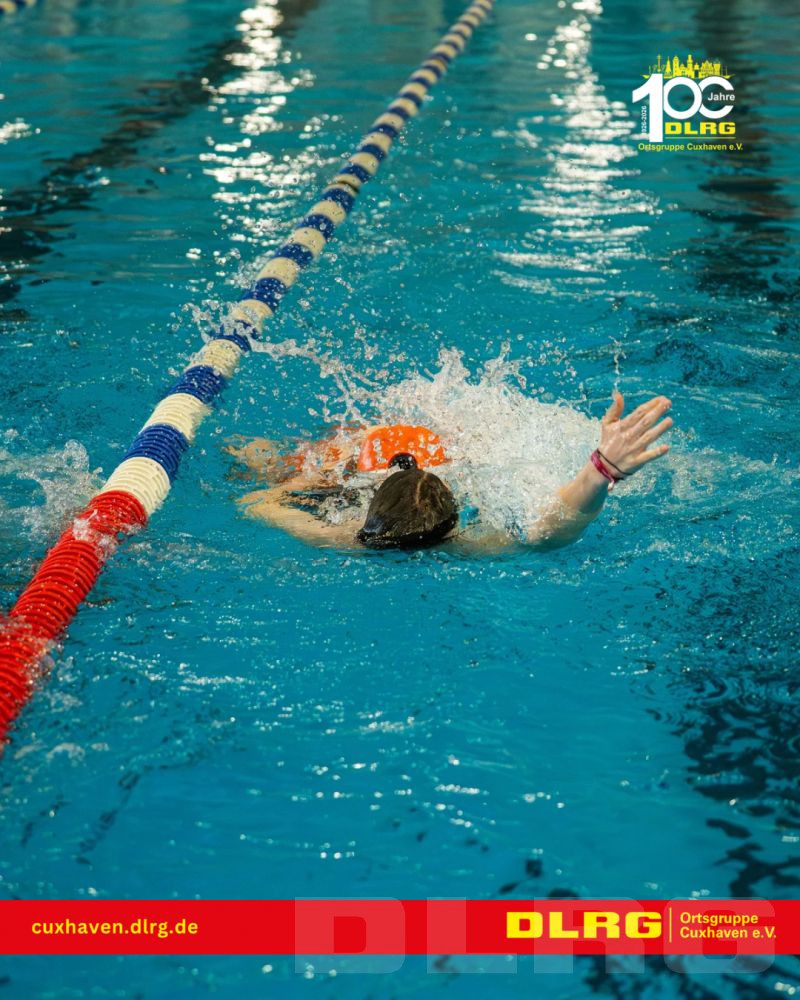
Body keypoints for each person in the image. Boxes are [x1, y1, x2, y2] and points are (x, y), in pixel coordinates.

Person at [228, 392, 673, 551]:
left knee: (270, 465)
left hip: (398, 464)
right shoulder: (460, 543)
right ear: (454, 519)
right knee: (310, 461)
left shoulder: (345, 538)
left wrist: (301, 483)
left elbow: (257, 503)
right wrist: (599, 472)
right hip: (367, 467)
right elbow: (549, 532)